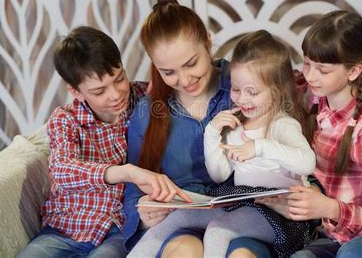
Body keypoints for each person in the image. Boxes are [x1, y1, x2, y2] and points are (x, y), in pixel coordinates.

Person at [129, 30, 317, 258]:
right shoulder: (237, 126)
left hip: (273, 212)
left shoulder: (282, 125)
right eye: (236, 90)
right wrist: (212, 133)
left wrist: (259, 146)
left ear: (276, 93)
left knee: (217, 232)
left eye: (252, 92)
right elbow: (219, 175)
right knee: (179, 217)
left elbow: (307, 164)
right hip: (239, 202)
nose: (242, 99)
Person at [123, 0, 278, 258]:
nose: (184, 80)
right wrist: (145, 212)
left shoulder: (247, 88)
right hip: (181, 222)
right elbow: (133, 191)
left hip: (245, 218)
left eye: (190, 63)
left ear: (207, 41)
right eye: (168, 72)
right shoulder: (147, 113)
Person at [16, 26, 189, 258]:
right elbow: (61, 170)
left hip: (119, 230)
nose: (116, 94)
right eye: (99, 91)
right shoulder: (66, 119)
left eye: (119, 79)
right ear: (76, 92)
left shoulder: (145, 101)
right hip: (65, 229)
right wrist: (126, 172)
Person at [256, 10, 362, 258]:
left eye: (323, 69)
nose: (310, 75)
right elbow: (262, 83)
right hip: (333, 231)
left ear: (353, 72)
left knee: (351, 255)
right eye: (307, 63)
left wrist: (328, 207)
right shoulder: (309, 94)